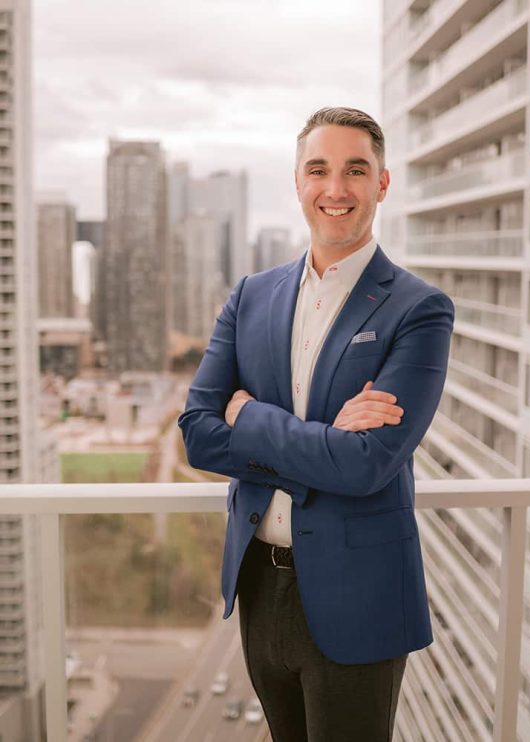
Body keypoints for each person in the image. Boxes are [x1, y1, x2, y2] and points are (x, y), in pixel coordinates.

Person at [178, 106, 455, 742]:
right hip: (258, 586)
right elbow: (197, 430)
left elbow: (366, 466)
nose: (336, 189)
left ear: (382, 184)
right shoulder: (251, 296)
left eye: (356, 170)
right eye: (319, 170)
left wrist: (247, 417)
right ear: (298, 182)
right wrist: (324, 442)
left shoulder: (419, 309)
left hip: (359, 596)